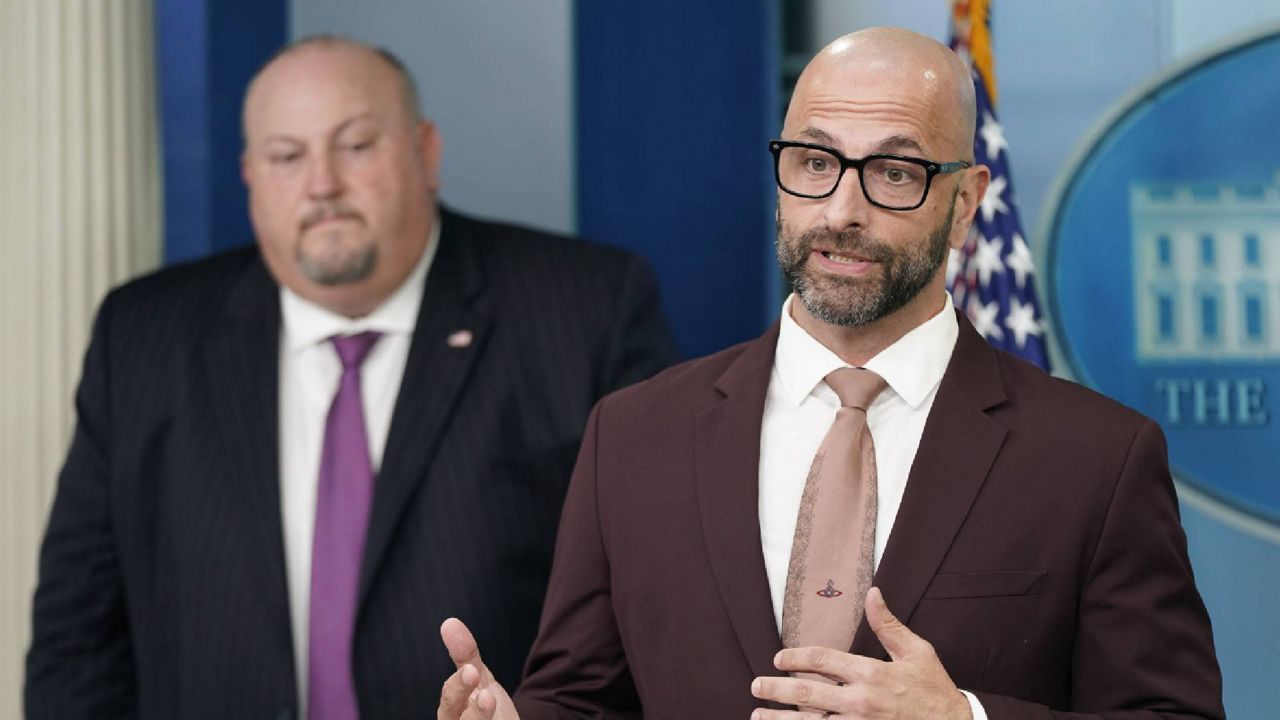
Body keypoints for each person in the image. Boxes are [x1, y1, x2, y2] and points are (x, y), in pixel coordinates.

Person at [435, 27, 1224, 720]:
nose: (843, 209)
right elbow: (583, 702)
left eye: (893, 172)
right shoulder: (634, 436)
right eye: (814, 162)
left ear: (965, 202)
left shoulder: (1095, 459)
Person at [25, 36, 677, 720]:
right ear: (250, 175)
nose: (322, 184)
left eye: (356, 146)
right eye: (287, 156)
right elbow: (78, 639)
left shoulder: (585, 311)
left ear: (426, 153)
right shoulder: (143, 337)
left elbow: (656, 610)